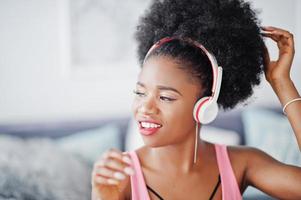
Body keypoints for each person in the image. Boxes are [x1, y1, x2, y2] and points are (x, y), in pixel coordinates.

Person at [91, 0, 301, 199]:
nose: (145, 107)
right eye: (140, 93)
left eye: (165, 97)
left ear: (204, 105)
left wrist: (281, 82)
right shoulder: (121, 177)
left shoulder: (241, 163)